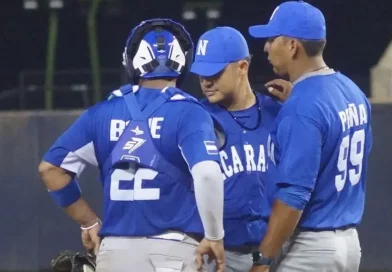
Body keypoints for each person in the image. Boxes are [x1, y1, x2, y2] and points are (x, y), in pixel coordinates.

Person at [38, 18, 226, 272]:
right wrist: (214, 236)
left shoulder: (102, 112)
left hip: (116, 252)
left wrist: (89, 223)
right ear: (182, 62)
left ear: (131, 61)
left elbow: (50, 169)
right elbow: (207, 173)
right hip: (172, 251)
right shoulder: (190, 111)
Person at [247, 2, 373, 272]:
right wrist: (299, 102)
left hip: (311, 248)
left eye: (272, 39)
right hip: (349, 244)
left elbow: (294, 194)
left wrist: (262, 260)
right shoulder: (351, 91)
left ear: (293, 45)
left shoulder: (303, 108)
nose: (266, 47)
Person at [189, 26, 290, 272]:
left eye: (214, 72)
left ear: (242, 67)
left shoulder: (278, 112)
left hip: (276, 250)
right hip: (219, 254)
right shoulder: (194, 118)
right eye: (201, 73)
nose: (206, 81)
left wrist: (299, 102)